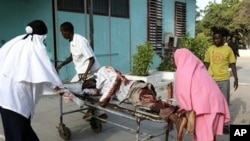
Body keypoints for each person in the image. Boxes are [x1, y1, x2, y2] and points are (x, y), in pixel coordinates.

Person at [80, 66, 195, 141]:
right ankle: (182, 117)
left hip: (134, 89)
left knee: (149, 104)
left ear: (91, 79)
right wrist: (93, 92)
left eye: (88, 84)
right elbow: (101, 97)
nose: (90, 86)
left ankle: (178, 120)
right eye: (89, 87)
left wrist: (104, 97)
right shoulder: (101, 88)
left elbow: (116, 78)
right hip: (135, 91)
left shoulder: (102, 71)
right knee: (154, 104)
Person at [0, 20, 64, 141]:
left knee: (21, 130)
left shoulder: (17, 42)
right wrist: (58, 87)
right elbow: (45, 71)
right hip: (15, 100)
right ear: (43, 35)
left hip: (5, 95)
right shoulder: (36, 47)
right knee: (17, 134)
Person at [174, 48, 231, 141]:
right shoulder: (199, 68)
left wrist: (185, 109)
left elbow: (182, 92)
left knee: (203, 137)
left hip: (203, 109)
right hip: (216, 105)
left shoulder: (184, 70)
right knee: (210, 136)